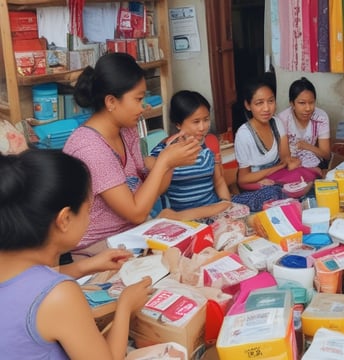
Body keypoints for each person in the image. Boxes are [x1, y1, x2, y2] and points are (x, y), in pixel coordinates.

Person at [0, 149, 152, 360]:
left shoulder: (11, 263)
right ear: (64, 219)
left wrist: (85, 267)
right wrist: (125, 307)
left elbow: (25, 286)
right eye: (87, 210)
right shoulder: (60, 296)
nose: (89, 220)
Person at [63, 53, 200, 258]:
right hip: (95, 249)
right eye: (138, 99)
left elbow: (151, 191)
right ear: (111, 101)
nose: (144, 106)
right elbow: (136, 212)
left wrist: (172, 158)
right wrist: (164, 161)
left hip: (130, 236)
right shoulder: (90, 148)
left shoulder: (126, 130)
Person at [232, 78, 318, 211]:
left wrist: (293, 163)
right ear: (248, 105)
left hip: (278, 177)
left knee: (308, 179)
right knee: (273, 194)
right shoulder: (244, 135)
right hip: (257, 185)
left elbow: (285, 159)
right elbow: (243, 180)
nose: (266, 108)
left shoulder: (277, 123)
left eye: (271, 101)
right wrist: (273, 171)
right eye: (259, 103)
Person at [148, 90, 232, 221]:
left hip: (213, 211)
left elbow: (219, 180)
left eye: (206, 120)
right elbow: (155, 192)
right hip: (182, 219)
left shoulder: (209, 145)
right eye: (196, 121)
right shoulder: (164, 152)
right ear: (178, 124)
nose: (203, 127)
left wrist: (226, 202)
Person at [276, 77, 331, 172]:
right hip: (291, 165)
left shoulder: (321, 117)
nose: (308, 108)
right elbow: (284, 158)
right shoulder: (282, 119)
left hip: (313, 163)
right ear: (292, 104)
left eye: (311, 102)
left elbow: (326, 155)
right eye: (302, 103)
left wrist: (307, 146)